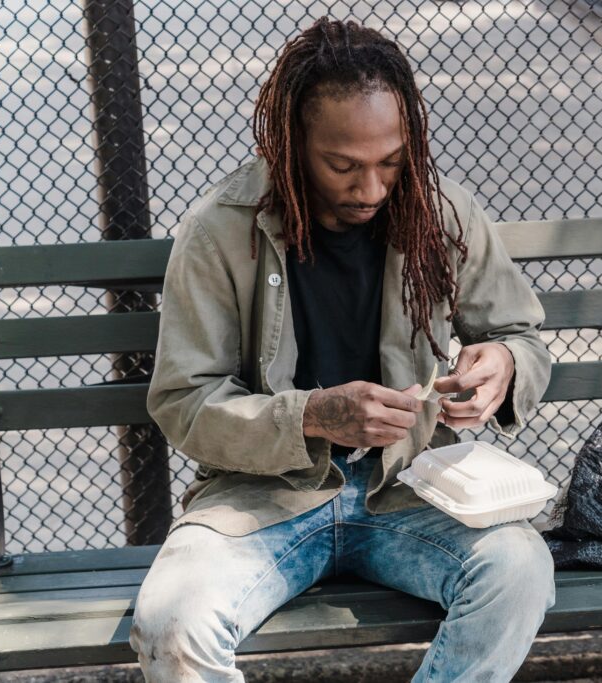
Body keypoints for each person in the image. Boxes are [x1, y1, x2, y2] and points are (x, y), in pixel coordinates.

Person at [129, 16, 555, 683]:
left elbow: (520, 338)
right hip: (263, 497)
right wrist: (312, 417)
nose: (373, 188)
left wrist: (501, 366)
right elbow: (184, 401)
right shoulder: (219, 232)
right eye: (343, 165)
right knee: (170, 624)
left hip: (411, 488)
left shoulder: (439, 216)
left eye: (391, 161)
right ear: (293, 142)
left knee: (521, 570)